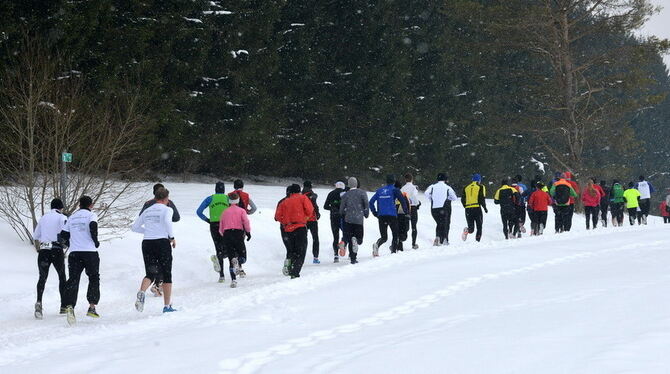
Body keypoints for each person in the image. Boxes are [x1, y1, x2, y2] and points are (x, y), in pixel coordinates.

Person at [131, 188, 177, 313]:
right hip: (162, 242)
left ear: (155, 198)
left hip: (147, 243)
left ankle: (141, 292)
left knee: (150, 273)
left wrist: (148, 231)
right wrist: (171, 237)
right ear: (166, 199)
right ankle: (167, 306)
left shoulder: (147, 211)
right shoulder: (168, 209)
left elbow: (134, 227)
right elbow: (168, 222)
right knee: (167, 274)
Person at [60, 196, 101, 326]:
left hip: (75, 253)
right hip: (90, 252)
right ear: (91, 205)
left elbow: (63, 235)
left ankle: (70, 306)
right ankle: (92, 307)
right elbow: (93, 226)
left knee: (73, 279)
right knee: (93, 278)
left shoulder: (72, 217)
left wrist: (70, 244)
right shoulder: (91, 215)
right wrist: (95, 241)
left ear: (79, 204)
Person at [139, 183, 180, 297]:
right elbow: (176, 218)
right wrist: (171, 236)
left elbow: (139, 218)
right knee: (164, 265)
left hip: (147, 240)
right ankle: (158, 285)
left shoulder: (147, 204)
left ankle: (145, 289)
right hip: (162, 238)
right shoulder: (168, 204)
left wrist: (148, 230)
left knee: (151, 267)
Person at [32, 198, 68, 319]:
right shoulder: (62, 217)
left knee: (42, 277)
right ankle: (63, 306)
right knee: (62, 277)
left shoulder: (43, 217)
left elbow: (35, 235)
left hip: (43, 250)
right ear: (60, 208)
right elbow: (66, 233)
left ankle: (39, 302)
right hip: (56, 250)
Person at [275, 184, 314, 278]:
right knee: (301, 251)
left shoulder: (284, 202)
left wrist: (286, 222)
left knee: (293, 250)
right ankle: (295, 272)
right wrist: (304, 217)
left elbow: (277, 216)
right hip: (300, 227)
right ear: (299, 190)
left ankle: (290, 261)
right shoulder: (303, 198)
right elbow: (310, 210)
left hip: (288, 229)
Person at [196, 182, 230, 283]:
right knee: (228, 246)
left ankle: (222, 275)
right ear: (224, 189)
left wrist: (207, 220)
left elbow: (198, 211)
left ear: (215, 189)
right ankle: (228, 259)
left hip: (214, 225)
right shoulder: (227, 198)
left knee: (218, 247)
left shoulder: (210, 198)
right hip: (226, 225)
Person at [219, 192, 251, 288]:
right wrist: (248, 232)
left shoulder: (225, 212)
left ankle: (233, 280)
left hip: (227, 235)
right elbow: (246, 222)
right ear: (237, 201)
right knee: (243, 256)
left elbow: (221, 227)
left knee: (230, 258)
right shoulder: (241, 211)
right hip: (238, 234)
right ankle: (238, 261)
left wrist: (224, 235)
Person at [370, 175, 408, 255]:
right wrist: (406, 212)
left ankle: (377, 245)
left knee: (384, 237)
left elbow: (371, 202)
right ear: (394, 182)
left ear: (386, 181)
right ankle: (393, 252)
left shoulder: (379, 190)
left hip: (381, 216)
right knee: (395, 234)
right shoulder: (395, 190)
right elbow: (402, 201)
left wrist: (375, 212)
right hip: (392, 215)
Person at [339, 177, 370, 264]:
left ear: (348, 185)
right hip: (358, 219)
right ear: (356, 184)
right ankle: (356, 242)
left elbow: (341, 208)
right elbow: (366, 204)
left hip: (348, 219)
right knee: (358, 240)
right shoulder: (362, 193)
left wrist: (341, 214)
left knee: (350, 238)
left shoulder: (346, 195)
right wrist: (366, 214)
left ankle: (352, 258)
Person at [425, 173, 458, 246]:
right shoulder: (447, 187)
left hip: (434, 209)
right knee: (445, 223)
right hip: (443, 208)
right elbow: (454, 198)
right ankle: (444, 239)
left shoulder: (432, 186)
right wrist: (448, 198)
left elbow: (426, 193)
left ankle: (438, 237)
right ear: (445, 179)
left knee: (439, 223)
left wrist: (431, 198)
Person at [323, 181, 347, 262]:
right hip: (343, 217)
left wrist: (333, 208)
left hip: (333, 217)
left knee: (335, 237)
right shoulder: (345, 193)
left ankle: (336, 256)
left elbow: (325, 206)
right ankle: (345, 247)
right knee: (347, 234)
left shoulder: (331, 193)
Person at [461, 173, 487, 242]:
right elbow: (482, 198)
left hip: (468, 209)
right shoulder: (481, 187)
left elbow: (462, 199)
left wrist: (466, 206)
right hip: (477, 208)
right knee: (479, 227)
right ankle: (477, 241)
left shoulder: (466, 187)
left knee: (471, 228)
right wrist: (485, 208)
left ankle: (467, 230)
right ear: (479, 180)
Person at [302, 181, 321, 264]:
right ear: (310, 186)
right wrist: (317, 213)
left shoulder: (300, 194)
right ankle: (315, 257)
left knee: (303, 239)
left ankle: (301, 256)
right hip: (312, 219)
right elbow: (314, 206)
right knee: (315, 238)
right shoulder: (311, 194)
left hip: (303, 220)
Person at [400, 173, 421, 249]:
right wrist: (417, 203)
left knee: (405, 226)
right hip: (413, 207)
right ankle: (413, 243)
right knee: (414, 226)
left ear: (405, 180)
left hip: (405, 208)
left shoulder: (402, 188)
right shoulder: (413, 188)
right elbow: (415, 197)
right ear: (412, 179)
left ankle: (401, 240)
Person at [277, 186, 292, 274]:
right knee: (295, 247)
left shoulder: (281, 202)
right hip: (295, 227)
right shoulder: (296, 202)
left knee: (289, 248)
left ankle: (288, 263)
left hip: (284, 227)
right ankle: (292, 264)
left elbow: (277, 217)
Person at [394, 180, 411, 252]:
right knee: (403, 233)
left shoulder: (392, 194)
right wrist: (408, 214)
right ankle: (398, 246)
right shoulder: (404, 194)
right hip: (403, 215)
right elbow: (408, 203)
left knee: (397, 232)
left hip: (395, 215)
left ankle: (398, 246)